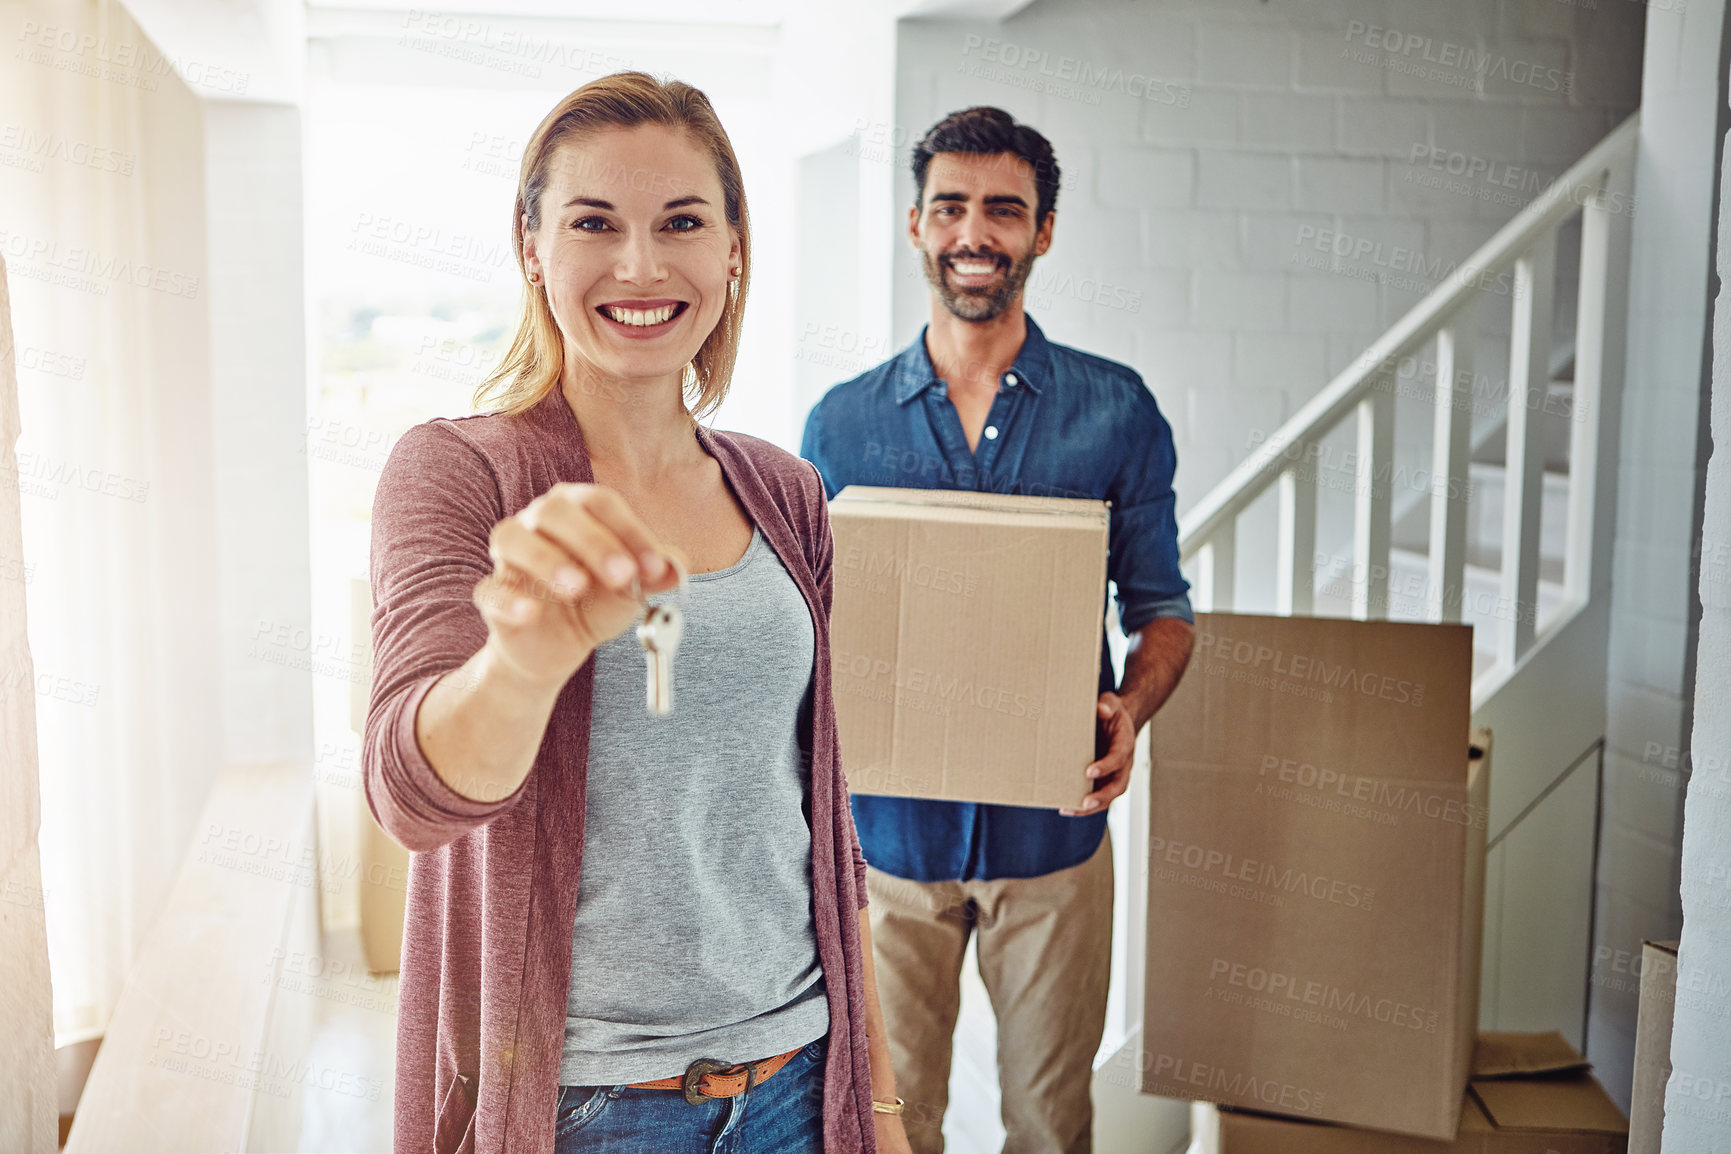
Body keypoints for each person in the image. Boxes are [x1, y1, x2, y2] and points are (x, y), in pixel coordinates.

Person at [365, 72, 914, 1154]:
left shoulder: (787, 490)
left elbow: (819, 826)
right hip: (586, 1108)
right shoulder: (456, 473)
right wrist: (523, 662)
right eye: (593, 224)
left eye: (681, 223)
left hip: (797, 1086)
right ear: (531, 247)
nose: (641, 265)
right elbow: (410, 793)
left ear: (733, 250)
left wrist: (882, 1107)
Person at [800, 106, 1196, 1154]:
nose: (976, 231)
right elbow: (812, 624)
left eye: (1005, 210)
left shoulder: (1115, 411)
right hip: (886, 842)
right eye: (952, 207)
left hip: (1052, 839)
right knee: (889, 1126)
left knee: (1050, 1127)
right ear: (917, 225)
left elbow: (1161, 609)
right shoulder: (842, 424)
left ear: (1044, 231)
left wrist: (1132, 711)